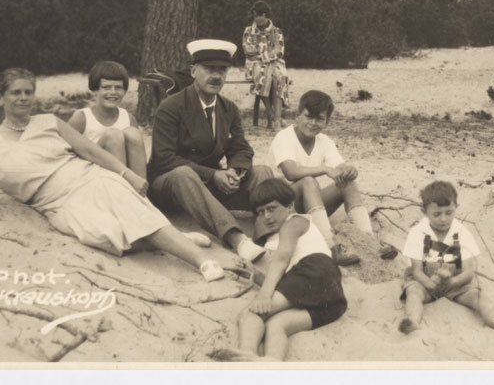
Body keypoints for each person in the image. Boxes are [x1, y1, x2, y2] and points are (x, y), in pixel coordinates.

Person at [0, 68, 228, 281]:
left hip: (89, 178)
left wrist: (127, 175)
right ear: (0, 96)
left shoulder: (48, 121)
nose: (23, 98)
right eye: (15, 93)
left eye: (28, 92)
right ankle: (173, 238)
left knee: (132, 214)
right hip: (54, 203)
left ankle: (201, 261)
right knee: (103, 236)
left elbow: (90, 151)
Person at [147, 39, 276, 264]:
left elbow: (241, 147)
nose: (216, 76)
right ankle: (238, 241)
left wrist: (235, 171)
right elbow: (164, 159)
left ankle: (268, 237)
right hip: (171, 188)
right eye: (209, 69)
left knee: (263, 172)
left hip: (209, 186)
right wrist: (213, 174)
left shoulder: (228, 108)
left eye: (222, 70)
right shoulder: (171, 107)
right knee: (183, 174)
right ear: (193, 71)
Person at [223, 179, 348, 361]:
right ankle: (272, 362)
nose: (266, 217)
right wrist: (256, 275)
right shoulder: (294, 236)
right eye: (261, 212)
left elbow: (281, 262)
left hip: (314, 270)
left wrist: (264, 295)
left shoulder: (294, 222)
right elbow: (290, 287)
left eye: (271, 209)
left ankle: (247, 354)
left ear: (290, 206)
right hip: (332, 297)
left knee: (251, 313)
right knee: (277, 324)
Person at [269, 89, 395, 267]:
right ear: (297, 115)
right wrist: (324, 169)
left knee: (347, 182)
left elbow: (339, 167)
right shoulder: (284, 137)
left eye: (319, 119)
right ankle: (331, 246)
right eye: (308, 117)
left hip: (311, 206)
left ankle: (369, 240)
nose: (312, 123)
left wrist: (348, 170)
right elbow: (290, 172)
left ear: (327, 121)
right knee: (308, 181)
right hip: (284, 206)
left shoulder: (324, 141)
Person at [398, 180, 494, 342]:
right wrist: (430, 285)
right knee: (414, 292)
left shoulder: (462, 233)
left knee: (479, 297)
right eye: (436, 214)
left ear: (456, 207)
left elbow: (469, 272)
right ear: (424, 212)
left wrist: (453, 282)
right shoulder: (417, 233)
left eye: (449, 213)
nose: (443, 219)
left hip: (457, 282)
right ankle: (412, 320)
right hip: (426, 281)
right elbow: (417, 271)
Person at [68, 61, 147, 178]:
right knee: (113, 136)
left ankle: (140, 194)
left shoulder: (128, 118)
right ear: (95, 90)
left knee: (133, 133)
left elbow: (135, 155)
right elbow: (65, 152)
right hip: (92, 175)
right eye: (106, 87)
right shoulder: (82, 117)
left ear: (124, 91)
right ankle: (119, 190)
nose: (113, 92)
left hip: (128, 176)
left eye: (118, 87)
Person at [242, 1, 290, 129]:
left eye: (257, 16)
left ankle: (277, 119)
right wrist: (265, 55)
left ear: (264, 15)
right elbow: (248, 50)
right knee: (262, 75)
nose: (255, 19)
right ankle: (272, 114)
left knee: (279, 78)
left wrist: (262, 55)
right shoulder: (248, 31)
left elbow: (279, 51)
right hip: (255, 64)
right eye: (254, 16)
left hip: (274, 63)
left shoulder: (277, 31)